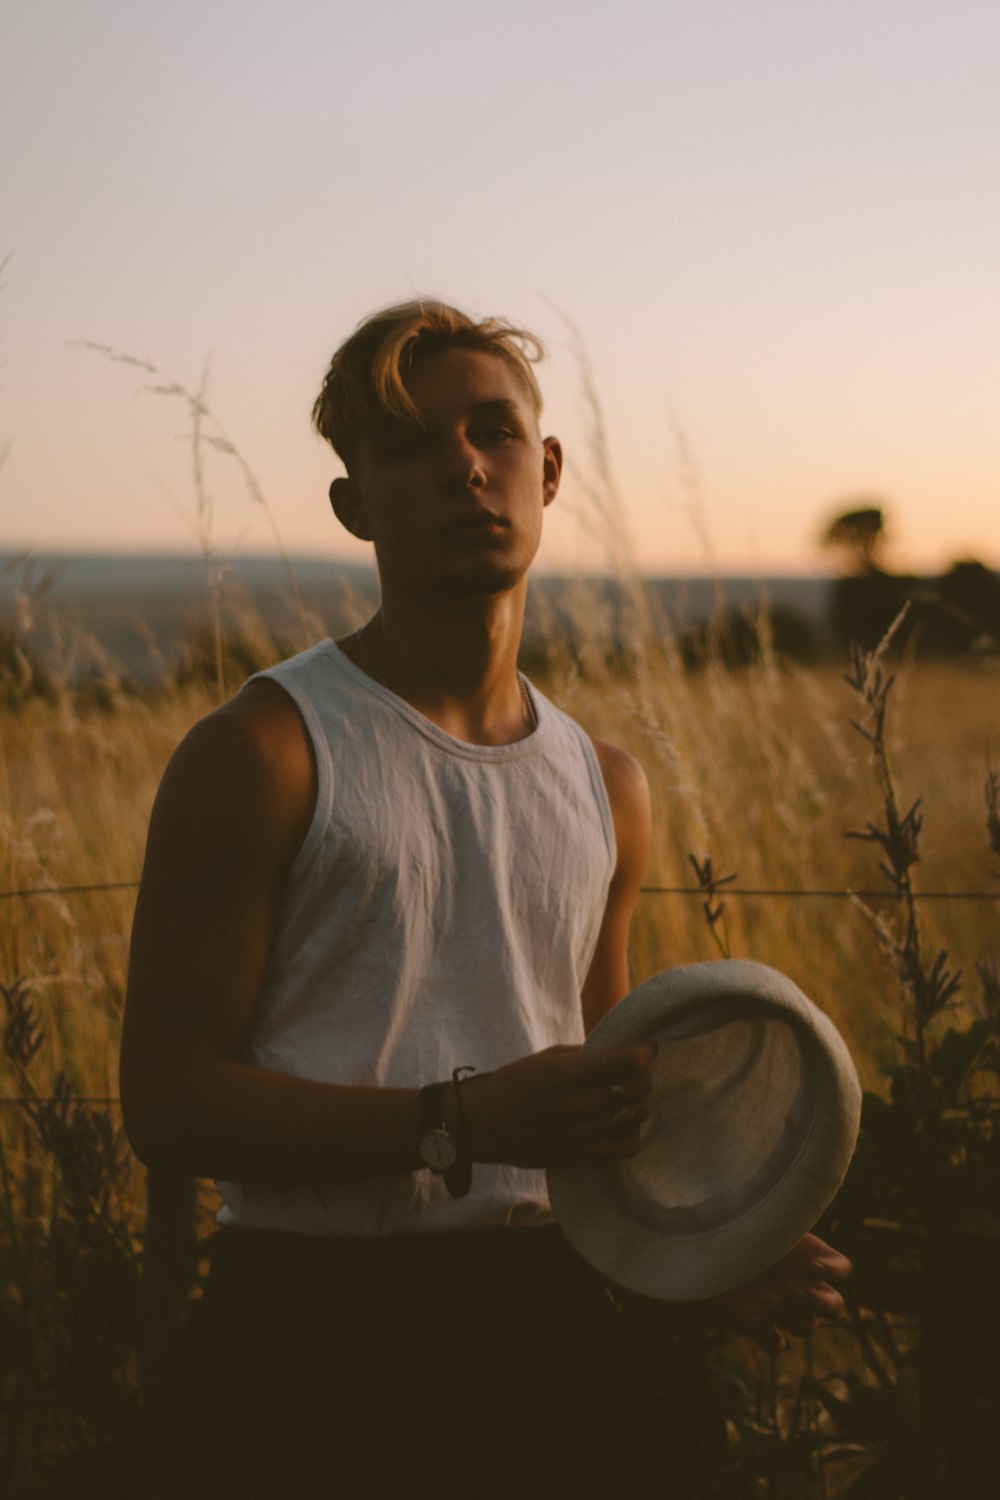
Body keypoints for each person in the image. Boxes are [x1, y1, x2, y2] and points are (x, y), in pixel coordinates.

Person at [120, 300, 849, 1499]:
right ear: (355, 503)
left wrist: (703, 1259)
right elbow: (169, 1104)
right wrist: (461, 1122)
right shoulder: (264, 752)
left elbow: (608, 1111)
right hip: (314, 1334)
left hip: (553, 1331)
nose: (463, 465)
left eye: (493, 432)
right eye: (408, 445)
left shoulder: (605, 786)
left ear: (547, 469)